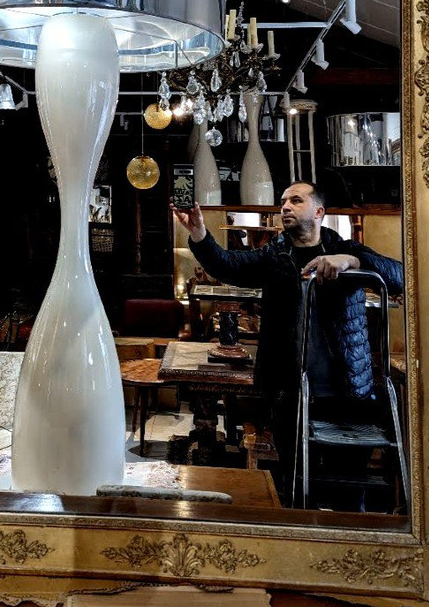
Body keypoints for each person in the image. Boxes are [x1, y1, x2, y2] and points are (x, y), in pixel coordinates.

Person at [171, 181, 403, 506]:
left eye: (296, 200)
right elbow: (227, 265)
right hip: (288, 390)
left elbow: (399, 275)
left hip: (346, 390)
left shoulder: (347, 250)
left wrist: (349, 261)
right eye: (283, 201)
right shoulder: (275, 256)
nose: (285, 206)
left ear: (319, 212)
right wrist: (198, 232)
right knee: (295, 483)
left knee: (347, 490)